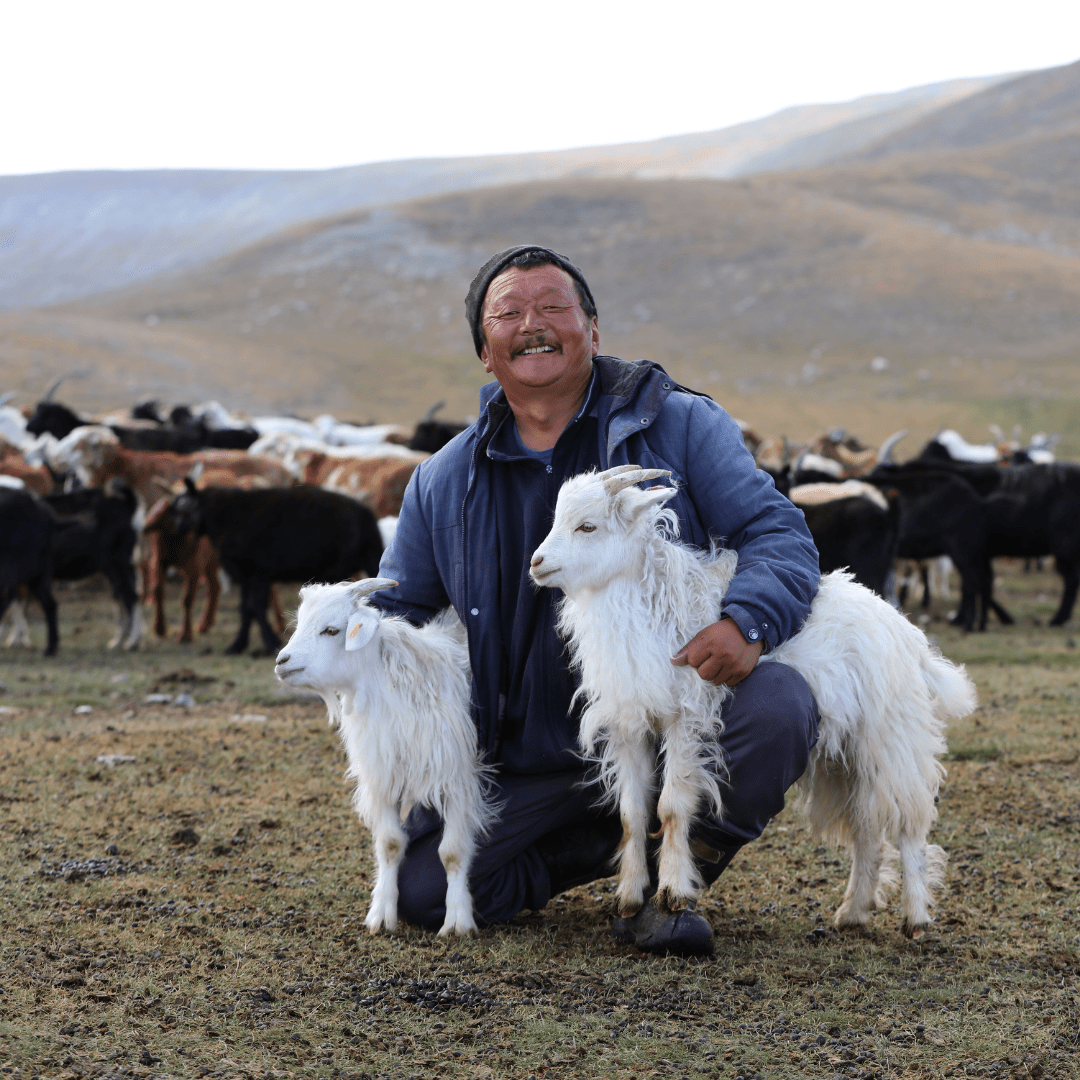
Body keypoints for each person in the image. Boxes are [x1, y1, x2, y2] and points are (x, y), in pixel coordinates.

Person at [370, 245, 821, 954]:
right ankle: (603, 848)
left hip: (666, 719)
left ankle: (674, 877)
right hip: (526, 756)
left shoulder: (678, 427)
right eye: (508, 313)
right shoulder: (441, 482)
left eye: (554, 307)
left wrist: (746, 621)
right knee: (423, 894)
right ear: (484, 352)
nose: (533, 325)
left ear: (594, 330)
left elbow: (778, 533)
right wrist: (351, 658)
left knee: (780, 705)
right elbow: (396, 615)